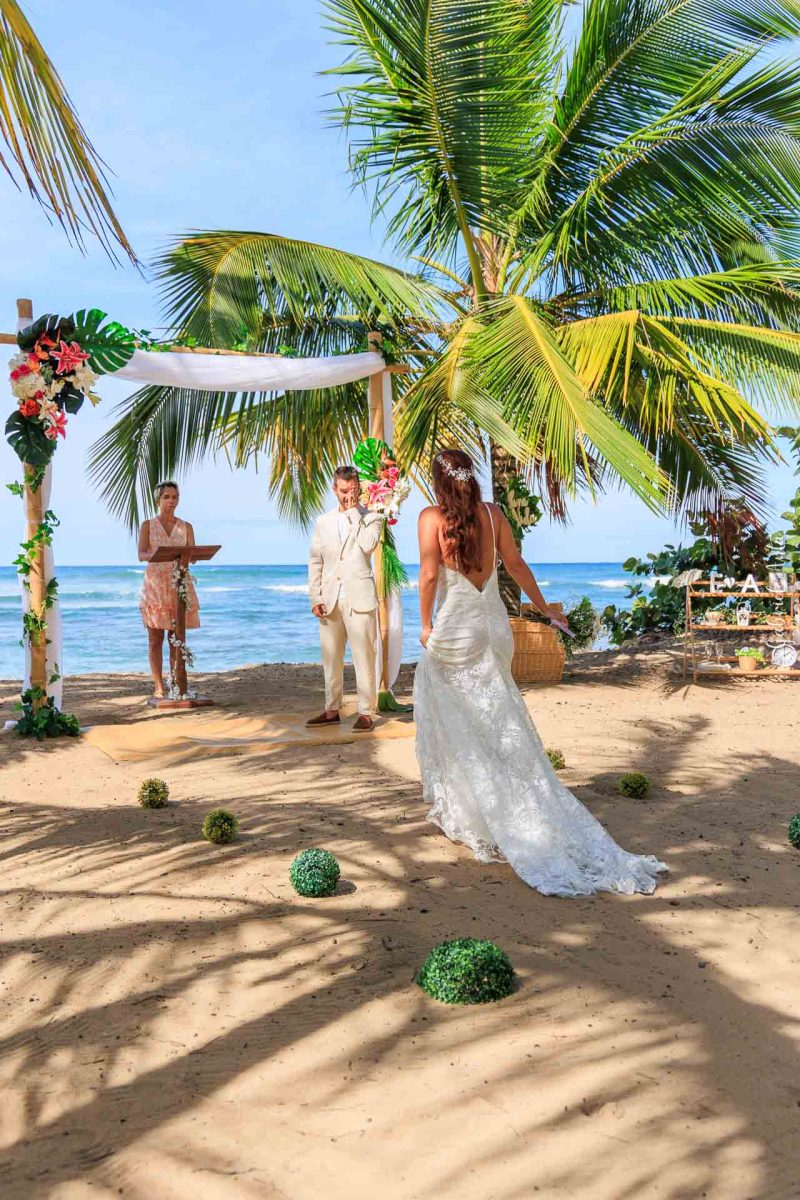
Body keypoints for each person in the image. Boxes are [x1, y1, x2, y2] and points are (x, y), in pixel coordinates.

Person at [413, 448, 667, 897]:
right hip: (492, 625)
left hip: (457, 626)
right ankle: (503, 800)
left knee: (455, 710)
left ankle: (481, 810)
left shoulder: (431, 518)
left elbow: (430, 577)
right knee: (499, 715)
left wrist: (426, 624)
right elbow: (515, 565)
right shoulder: (493, 515)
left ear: (439, 480)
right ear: (471, 477)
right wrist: (543, 606)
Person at [307, 465, 385, 732]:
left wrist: (354, 512)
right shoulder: (322, 522)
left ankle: (365, 712)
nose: (347, 496)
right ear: (334, 489)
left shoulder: (372, 518)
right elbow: (315, 561)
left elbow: (367, 545)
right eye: (343, 491)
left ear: (359, 489)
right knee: (331, 657)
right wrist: (315, 596)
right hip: (330, 598)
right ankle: (331, 709)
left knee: (364, 655)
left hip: (359, 597)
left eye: (352, 491)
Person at [138, 480, 200, 698]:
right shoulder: (147, 525)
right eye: (166, 497)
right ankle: (158, 687)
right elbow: (141, 554)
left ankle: (176, 683)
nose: (171, 501)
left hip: (179, 583)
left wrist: (186, 557)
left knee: (177, 638)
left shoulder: (186, 527)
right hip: (155, 586)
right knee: (155, 640)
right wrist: (157, 555)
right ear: (158, 500)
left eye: (174, 497)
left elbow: (191, 554)